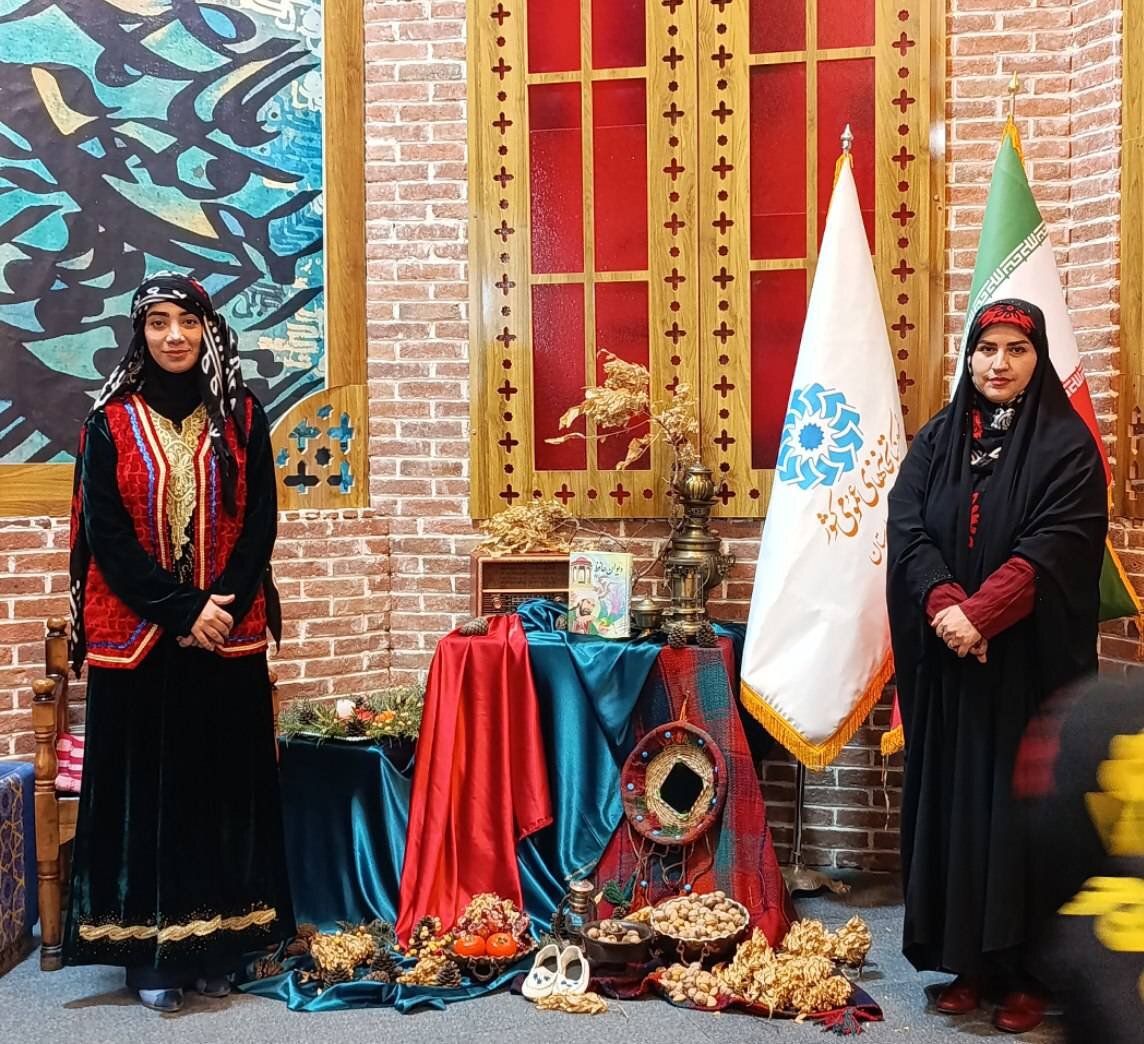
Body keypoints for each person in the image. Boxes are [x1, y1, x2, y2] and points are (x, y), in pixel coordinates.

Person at [62, 273, 294, 1012]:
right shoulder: (109, 422)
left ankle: (218, 947)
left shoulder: (242, 417)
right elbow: (106, 537)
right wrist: (183, 610)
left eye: (186, 322)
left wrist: (219, 606)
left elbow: (260, 522)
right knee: (147, 800)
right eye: (158, 322)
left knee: (219, 793)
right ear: (140, 332)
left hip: (224, 636)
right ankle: (150, 960)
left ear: (207, 330)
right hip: (139, 641)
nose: (173, 336)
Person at [886, 298, 1107, 1033]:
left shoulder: (1067, 446)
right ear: (969, 357)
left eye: (1017, 349)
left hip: (1029, 671)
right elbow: (908, 529)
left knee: (1022, 817)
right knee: (960, 808)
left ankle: (1029, 973)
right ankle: (968, 961)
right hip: (955, 672)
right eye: (987, 349)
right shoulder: (937, 438)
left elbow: (1059, 542)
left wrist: (981, 615)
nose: (999, 363)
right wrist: (947, 606)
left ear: (1038, 358)